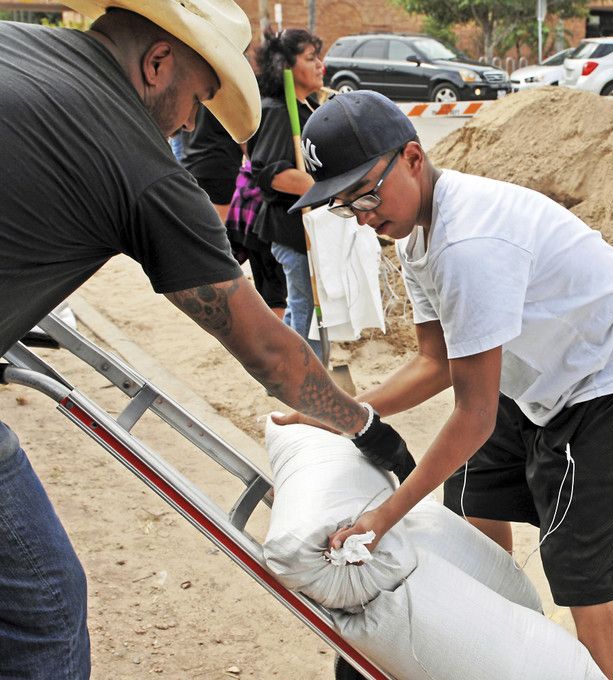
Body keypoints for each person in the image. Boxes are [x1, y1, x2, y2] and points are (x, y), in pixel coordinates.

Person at [0, 4, 413, 677]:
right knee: (42, 610)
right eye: (198, 99)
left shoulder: (17, 43)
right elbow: (270, 353)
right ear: (158, 63)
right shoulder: (142, 167)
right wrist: (367, 427)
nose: (191, 125)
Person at [284, 90, 613, 680]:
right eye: (344, 206)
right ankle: (499, 650)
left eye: (366, 193)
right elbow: (434, 361)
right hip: (533, 367)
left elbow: (474, 414)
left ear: (412, 158)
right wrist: (341, 412)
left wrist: (385, 516)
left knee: (582, 574)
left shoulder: (469, 243)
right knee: (471, 502)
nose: (362, 216)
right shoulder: (415, 233)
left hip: (608, 374)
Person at [250, 28, 325, 358]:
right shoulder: (280, 111)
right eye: (310, 58)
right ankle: (302, 373)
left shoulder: (307, 105)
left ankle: (284, 365)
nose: (321, 65)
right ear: (286, 67)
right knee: (305, 310)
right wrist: (324, 189)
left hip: (309, 231)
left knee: (301, 308)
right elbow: (270, 173)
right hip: (293, 231)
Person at [182, 106, 288, 319]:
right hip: (218, 167)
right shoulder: (228, 96)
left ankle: (212, 286)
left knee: (217, 237)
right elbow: (243, 138)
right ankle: (217, 291)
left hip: (193, 162)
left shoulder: (203, 95)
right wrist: (255, 162)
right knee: (225, 242)